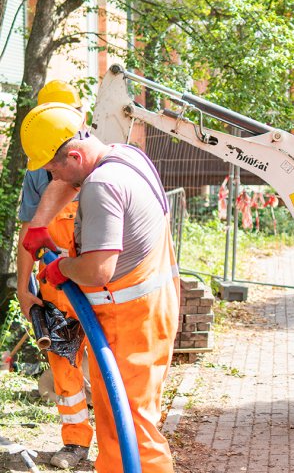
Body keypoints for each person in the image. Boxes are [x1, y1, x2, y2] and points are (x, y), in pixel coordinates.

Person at [20, 102, 179, 473]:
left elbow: (97, 270)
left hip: (131, 320)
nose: (48, 175)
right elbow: (67, 181)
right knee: (114, 422)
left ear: (74, 154)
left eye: (51, 166)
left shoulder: (102, 186)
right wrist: (40, 223)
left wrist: (62, 268)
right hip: (146, 308)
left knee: (133, 426)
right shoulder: (124, 156)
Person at [16, 80, 92, 469]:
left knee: (111, 367)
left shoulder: (96, 160)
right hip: (56, 282)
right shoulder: (37, 173)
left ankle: (123, 445)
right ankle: (76, 443)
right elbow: (29, 231)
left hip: (97, 281)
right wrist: (24, 287)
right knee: (64, 366)